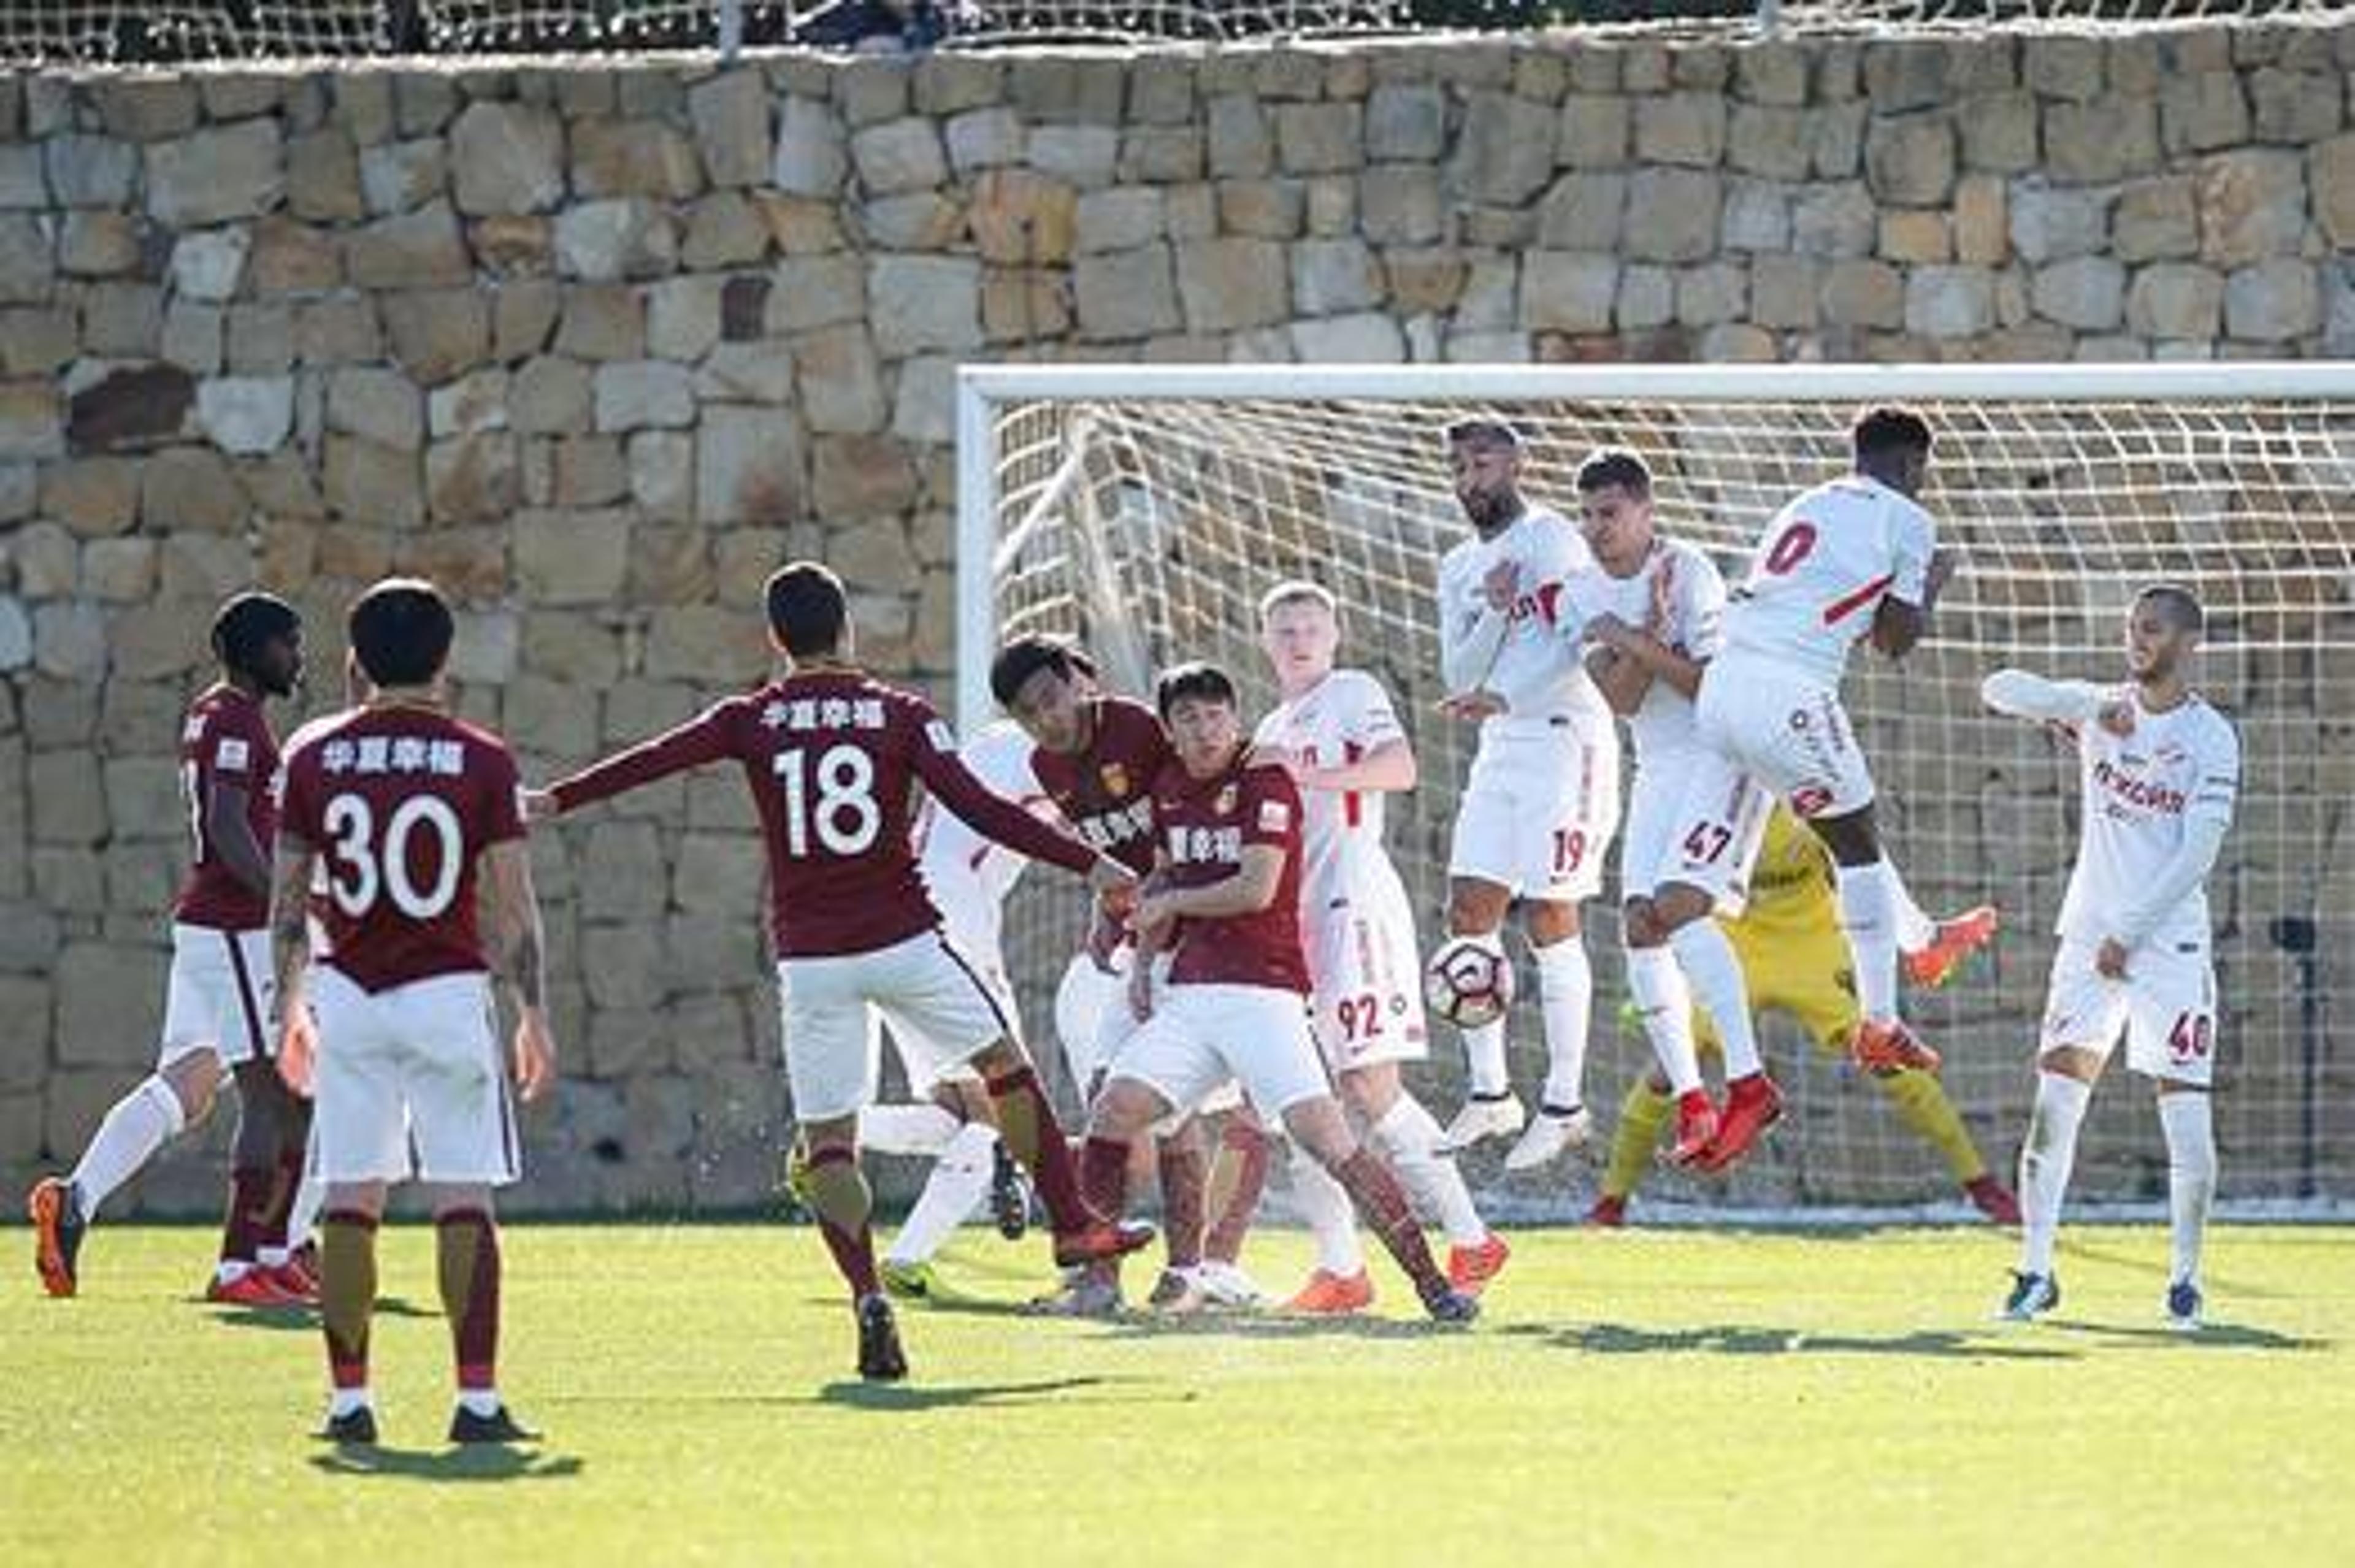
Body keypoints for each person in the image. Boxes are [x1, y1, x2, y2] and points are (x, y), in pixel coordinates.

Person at [534, 564, 1149, 1381]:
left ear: (776, 641)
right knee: (1006, 1068)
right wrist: (1092, 863)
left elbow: (655, 758)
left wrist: (557, 800)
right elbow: (982, 809)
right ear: (848, 630)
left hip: (813, 961)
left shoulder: (750, 717)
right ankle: (1074, 1224)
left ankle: (868, 1295)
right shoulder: (901, 714)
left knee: (830, 1142)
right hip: (906, 943)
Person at [1075, 663, 1479, 1324]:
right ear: (1170, 731)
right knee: (1113, 1109)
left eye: (1216, 716)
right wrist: (1146, 965)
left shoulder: (1266, 778)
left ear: (1236, 718)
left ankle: (1433, 1284)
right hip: (1191, 998)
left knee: (1330, 1142)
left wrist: (1172, 901)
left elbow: (1256, 887)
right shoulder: (1171, 786)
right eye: (1189, 719)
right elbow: (1160, 882)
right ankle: (1097, 1281)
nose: (1205, 731)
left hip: (1263, 995)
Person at [270, 578, 553, 1445]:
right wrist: (533, 1015)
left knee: (350, 1196)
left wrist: (290, 1006)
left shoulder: (312, 756)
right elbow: (512, 907)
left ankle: (350, 1402)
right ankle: (475, 1400)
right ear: (445, 658)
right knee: (462, 1194)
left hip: (349, 992)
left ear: (356, 660)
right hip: (446, 993)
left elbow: (286, 903)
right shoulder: (482, 758)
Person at [1648, 406, 1955, 1172]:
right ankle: (1882, 1017)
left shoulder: (1807, 502)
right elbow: (1895, 641)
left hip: (1722, 695)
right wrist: (1935, 582)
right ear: (1915, 464)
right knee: (1855, 846)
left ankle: (1746, 1085)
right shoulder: (1910, 519)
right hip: (1791, 694)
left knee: (1675, 905)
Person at [28, 592, 316, 1306]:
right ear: (255, 650)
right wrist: (283, 904)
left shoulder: (215, 714)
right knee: (271, 1094)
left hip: (207, 925)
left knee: (184, 1087)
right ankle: (241, 1264)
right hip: (234, 927)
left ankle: (77, 1198)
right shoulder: (234, 719)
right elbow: (224, 823)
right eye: (288, 642)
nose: (298, 656)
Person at [1980, 585, 2238, 1329]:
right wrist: (2091, 709)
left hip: (2169, 946)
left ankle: (2185, 1280)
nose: (2137, 641)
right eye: (2132, 628)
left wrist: (2130, 928)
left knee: (2186, 1124)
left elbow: (2198, 852)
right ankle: (2034, 1272)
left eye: (2152, 630)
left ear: (2188, 644)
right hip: (2089, 942)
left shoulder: (2211, 737)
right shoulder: (2102, 707)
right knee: (2053, 1109)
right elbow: (1999, 689)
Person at [1250, 581, 1509, 1314]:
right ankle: (1341, 1270)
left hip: (1354, 905)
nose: (1299, 639)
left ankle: (1470, 1236)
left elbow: (1400, 769)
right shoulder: (1270, 723)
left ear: (1335, 638)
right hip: (1296, 920)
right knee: (1308, 1100)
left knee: (1369, 1087)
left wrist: (1307, 774)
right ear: (1266, 643)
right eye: (1285, 629)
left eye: (1311, 627)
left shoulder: (1350, 692)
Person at [992, 635, 1268, 1315]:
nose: (1047, 719)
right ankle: (1104, 1276)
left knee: (1175, 1117)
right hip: (1141, 938)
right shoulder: (1044, 763)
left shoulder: (1138, 727)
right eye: (1029, 713)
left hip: (1195, 941)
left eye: (1052, 699)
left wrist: (1157, 927)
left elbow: (1192, 813)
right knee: (1112, 1098)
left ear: (1076, 681)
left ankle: (1183, 1271)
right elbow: (1115, 846)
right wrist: (1105, 906)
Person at [1590, 805, 2015, 1226]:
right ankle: (1610, 1204)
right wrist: (1659, 975)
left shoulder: (1802, 779)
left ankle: (1982, 1186)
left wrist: (1905, 941)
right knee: (1670, 1069)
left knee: (1890, 1057)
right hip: (1735, 943)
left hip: (1812, 942)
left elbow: (1859, 862)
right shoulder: (1712, 787)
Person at [1431, 419, 1622, 1171]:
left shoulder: (1552, 542)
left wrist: (1505, 694)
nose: (1470, 475)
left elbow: (1579, 650)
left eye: (1482, 460)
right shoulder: (1457, 565)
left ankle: (1565, 1102)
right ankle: (1490, 1093)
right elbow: (1458, 670)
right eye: (1458, 464)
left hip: (1564, 738)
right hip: (1501, 746)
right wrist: (1498, 614)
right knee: (1469, 911)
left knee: (1549, 911)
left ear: (1515, 464)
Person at [865, 718, 1046, 1302]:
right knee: (999, 1109)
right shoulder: (1030, 748)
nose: (1082, 706)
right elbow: (1089, 816)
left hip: (904, 917)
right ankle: (908, 1257)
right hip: (952, 927)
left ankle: (832, 1134)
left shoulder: (985, 749)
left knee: (955, 1115)